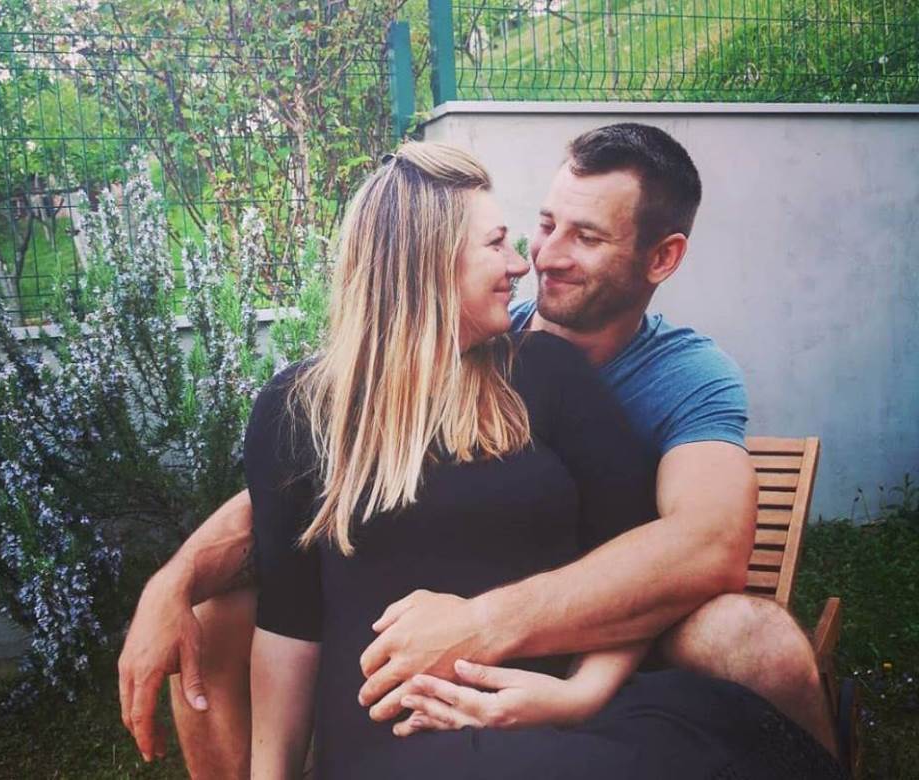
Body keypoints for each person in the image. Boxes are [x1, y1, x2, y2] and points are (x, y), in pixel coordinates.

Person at [117, 124, 839, 778]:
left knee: (738, 726)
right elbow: (287, 583)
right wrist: (174, 581)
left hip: (551, 700)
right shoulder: (306, 405)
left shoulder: (574, 373)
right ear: (428, 263)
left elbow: (681, 545)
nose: (533, 261)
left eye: (584, 237)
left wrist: (562, 686)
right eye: (523, 234)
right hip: (397, 737)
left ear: (662, 257)